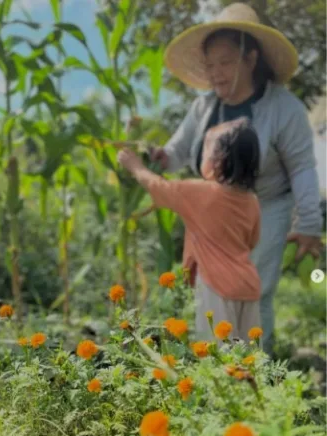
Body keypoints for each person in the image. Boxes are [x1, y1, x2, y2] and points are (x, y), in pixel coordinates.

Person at [152, 3, 323, 354]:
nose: (216, 73)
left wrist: (309, 223)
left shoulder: (284, 109)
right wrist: (160, 158)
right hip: (214, 215)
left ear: (251, 59)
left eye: (226, 62)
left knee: (253, 290)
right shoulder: (203, 107)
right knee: (212, 290)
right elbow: (180, 149)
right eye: (210, 65)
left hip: (266, 207)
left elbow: (302, 168)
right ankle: (218, 366)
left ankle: (258, 371)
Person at [118, 118, 262, 339]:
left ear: (218, 160)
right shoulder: (251, 200)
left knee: (217, 355)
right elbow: (252, 240)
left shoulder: (200, 193)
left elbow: (160, 187)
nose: (201, 155)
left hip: (216, 286)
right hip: (248, 286)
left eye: (205, 149)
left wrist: (136, 167)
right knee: (249, 356)